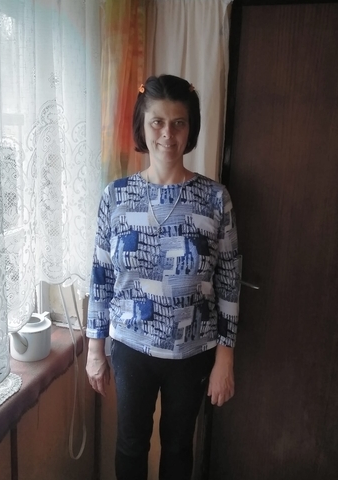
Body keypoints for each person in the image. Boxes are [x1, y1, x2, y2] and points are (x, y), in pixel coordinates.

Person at [86, 74, 241, 480]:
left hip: (192, 352)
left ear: (190, 129)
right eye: (157, 122)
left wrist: (225, 358)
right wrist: (94, 349)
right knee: (130, 444)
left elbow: (228, 280)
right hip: (130, 347)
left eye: (179, 123)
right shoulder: (115, 196)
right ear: (143, 125)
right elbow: (101, 276)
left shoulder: (215, 198)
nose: (168, 134)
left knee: (177, 446)